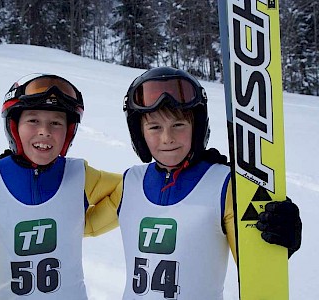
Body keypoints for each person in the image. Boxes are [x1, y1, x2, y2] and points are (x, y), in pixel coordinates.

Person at [0, 73, 122, 300]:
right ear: (14, 127)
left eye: (56, 122)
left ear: (68, 132)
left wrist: (84, 224)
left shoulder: (80, 175)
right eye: (33, 120)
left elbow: (128, 190)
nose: (45, 131)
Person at [118, 66, 302, 299]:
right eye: (154, 127)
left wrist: (281, 236)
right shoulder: (127, 184)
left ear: (197, 128)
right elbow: (73, 209)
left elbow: (257, 264)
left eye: (179, 125)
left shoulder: (224, 188)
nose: (167, 138)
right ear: (139, 134)